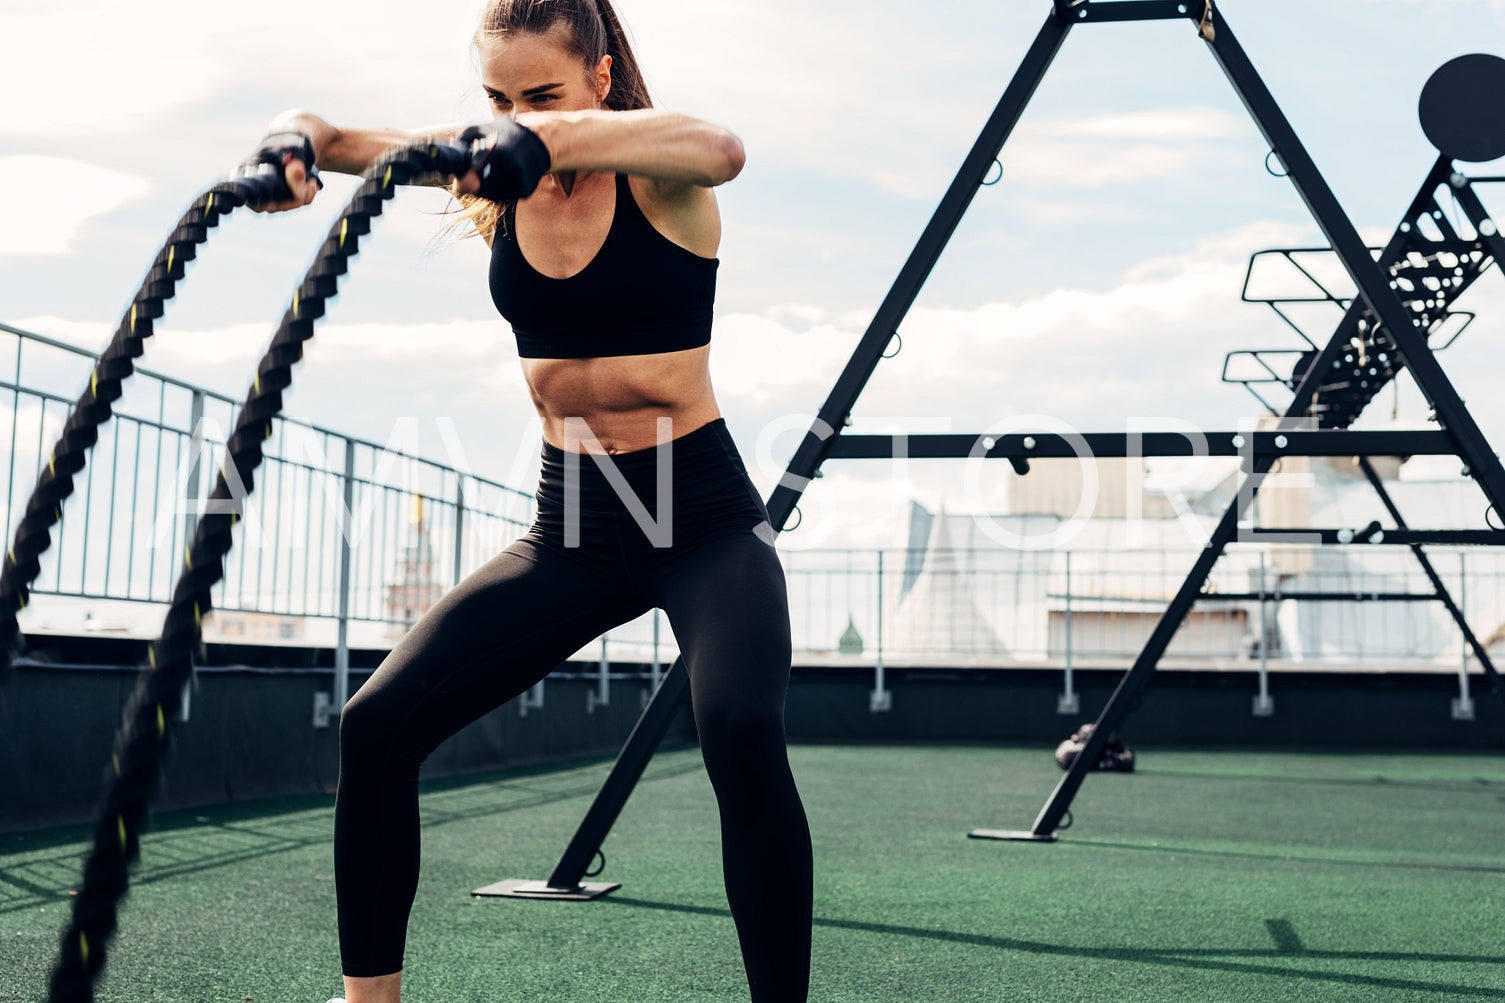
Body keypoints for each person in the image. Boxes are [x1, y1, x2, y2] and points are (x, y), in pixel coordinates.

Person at [247, 2, 814, 1001]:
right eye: (497, 99)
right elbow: (335, 137)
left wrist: (534, 136)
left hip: (705, 526)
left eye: (542, 94)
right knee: (375, 728)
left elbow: (722, 146)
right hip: (574, 531)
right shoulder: (492, 178)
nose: (515, 117)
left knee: (736, 726)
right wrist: (291, 142)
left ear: (600, 76)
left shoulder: (659, 173)